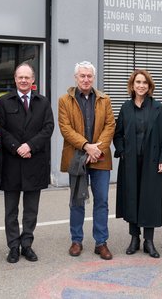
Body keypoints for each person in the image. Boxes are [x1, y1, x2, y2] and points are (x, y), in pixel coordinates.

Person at [58, 61, 116, 260]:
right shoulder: (65, 100)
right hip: (77, 157)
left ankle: (101, 243)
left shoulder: (104, 99)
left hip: (100, 158)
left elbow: (110, 125)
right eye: (82, 76)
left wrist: (97, 149)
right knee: (77, 201)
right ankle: (76, 240)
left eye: (89, 76)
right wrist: (86, 146)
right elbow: (65, 129)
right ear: (76, 78)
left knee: (102, 201)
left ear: (93, 78)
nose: (85, 79)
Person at [0, 63, 54, 264]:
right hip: (11, 163)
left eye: (27, 77)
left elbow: (48, 128)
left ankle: (27, 244)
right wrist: (16, 147)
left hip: (34, 162)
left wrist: (29, 146)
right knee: (11, 210)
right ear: (15, 79)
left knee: (31, 209)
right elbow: (0, 129)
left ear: (33, 80)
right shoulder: (3, 102)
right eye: (20, 77)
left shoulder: (43, 102)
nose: (23, 80)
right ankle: (13, 246)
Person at [113, 69, 162, 258]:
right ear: (132, 85)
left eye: (144, 83)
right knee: (132, 198)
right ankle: (134, 238)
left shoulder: (157, 107)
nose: (141, 85)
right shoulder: (126, 107)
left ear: (149, 86)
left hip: (151, 162)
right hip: (130, 162)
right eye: (138, 82)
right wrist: (121, 152)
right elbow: (118, 133)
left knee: (150, 200)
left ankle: (149, 241)